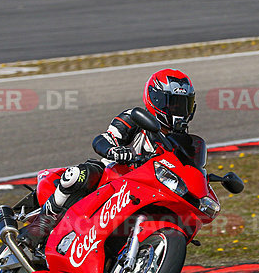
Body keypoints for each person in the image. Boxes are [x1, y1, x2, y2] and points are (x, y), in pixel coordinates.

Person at [18, 68, 197, 253]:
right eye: (173, 104)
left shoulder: (183, 141)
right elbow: (102, 140)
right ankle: (43, 223)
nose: (178, 111)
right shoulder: (135, 118)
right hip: (113, 177)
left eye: (183, 105)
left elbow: (190, 169)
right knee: (78, 174)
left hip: (145, 191)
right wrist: (115, 151)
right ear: (156, 99)